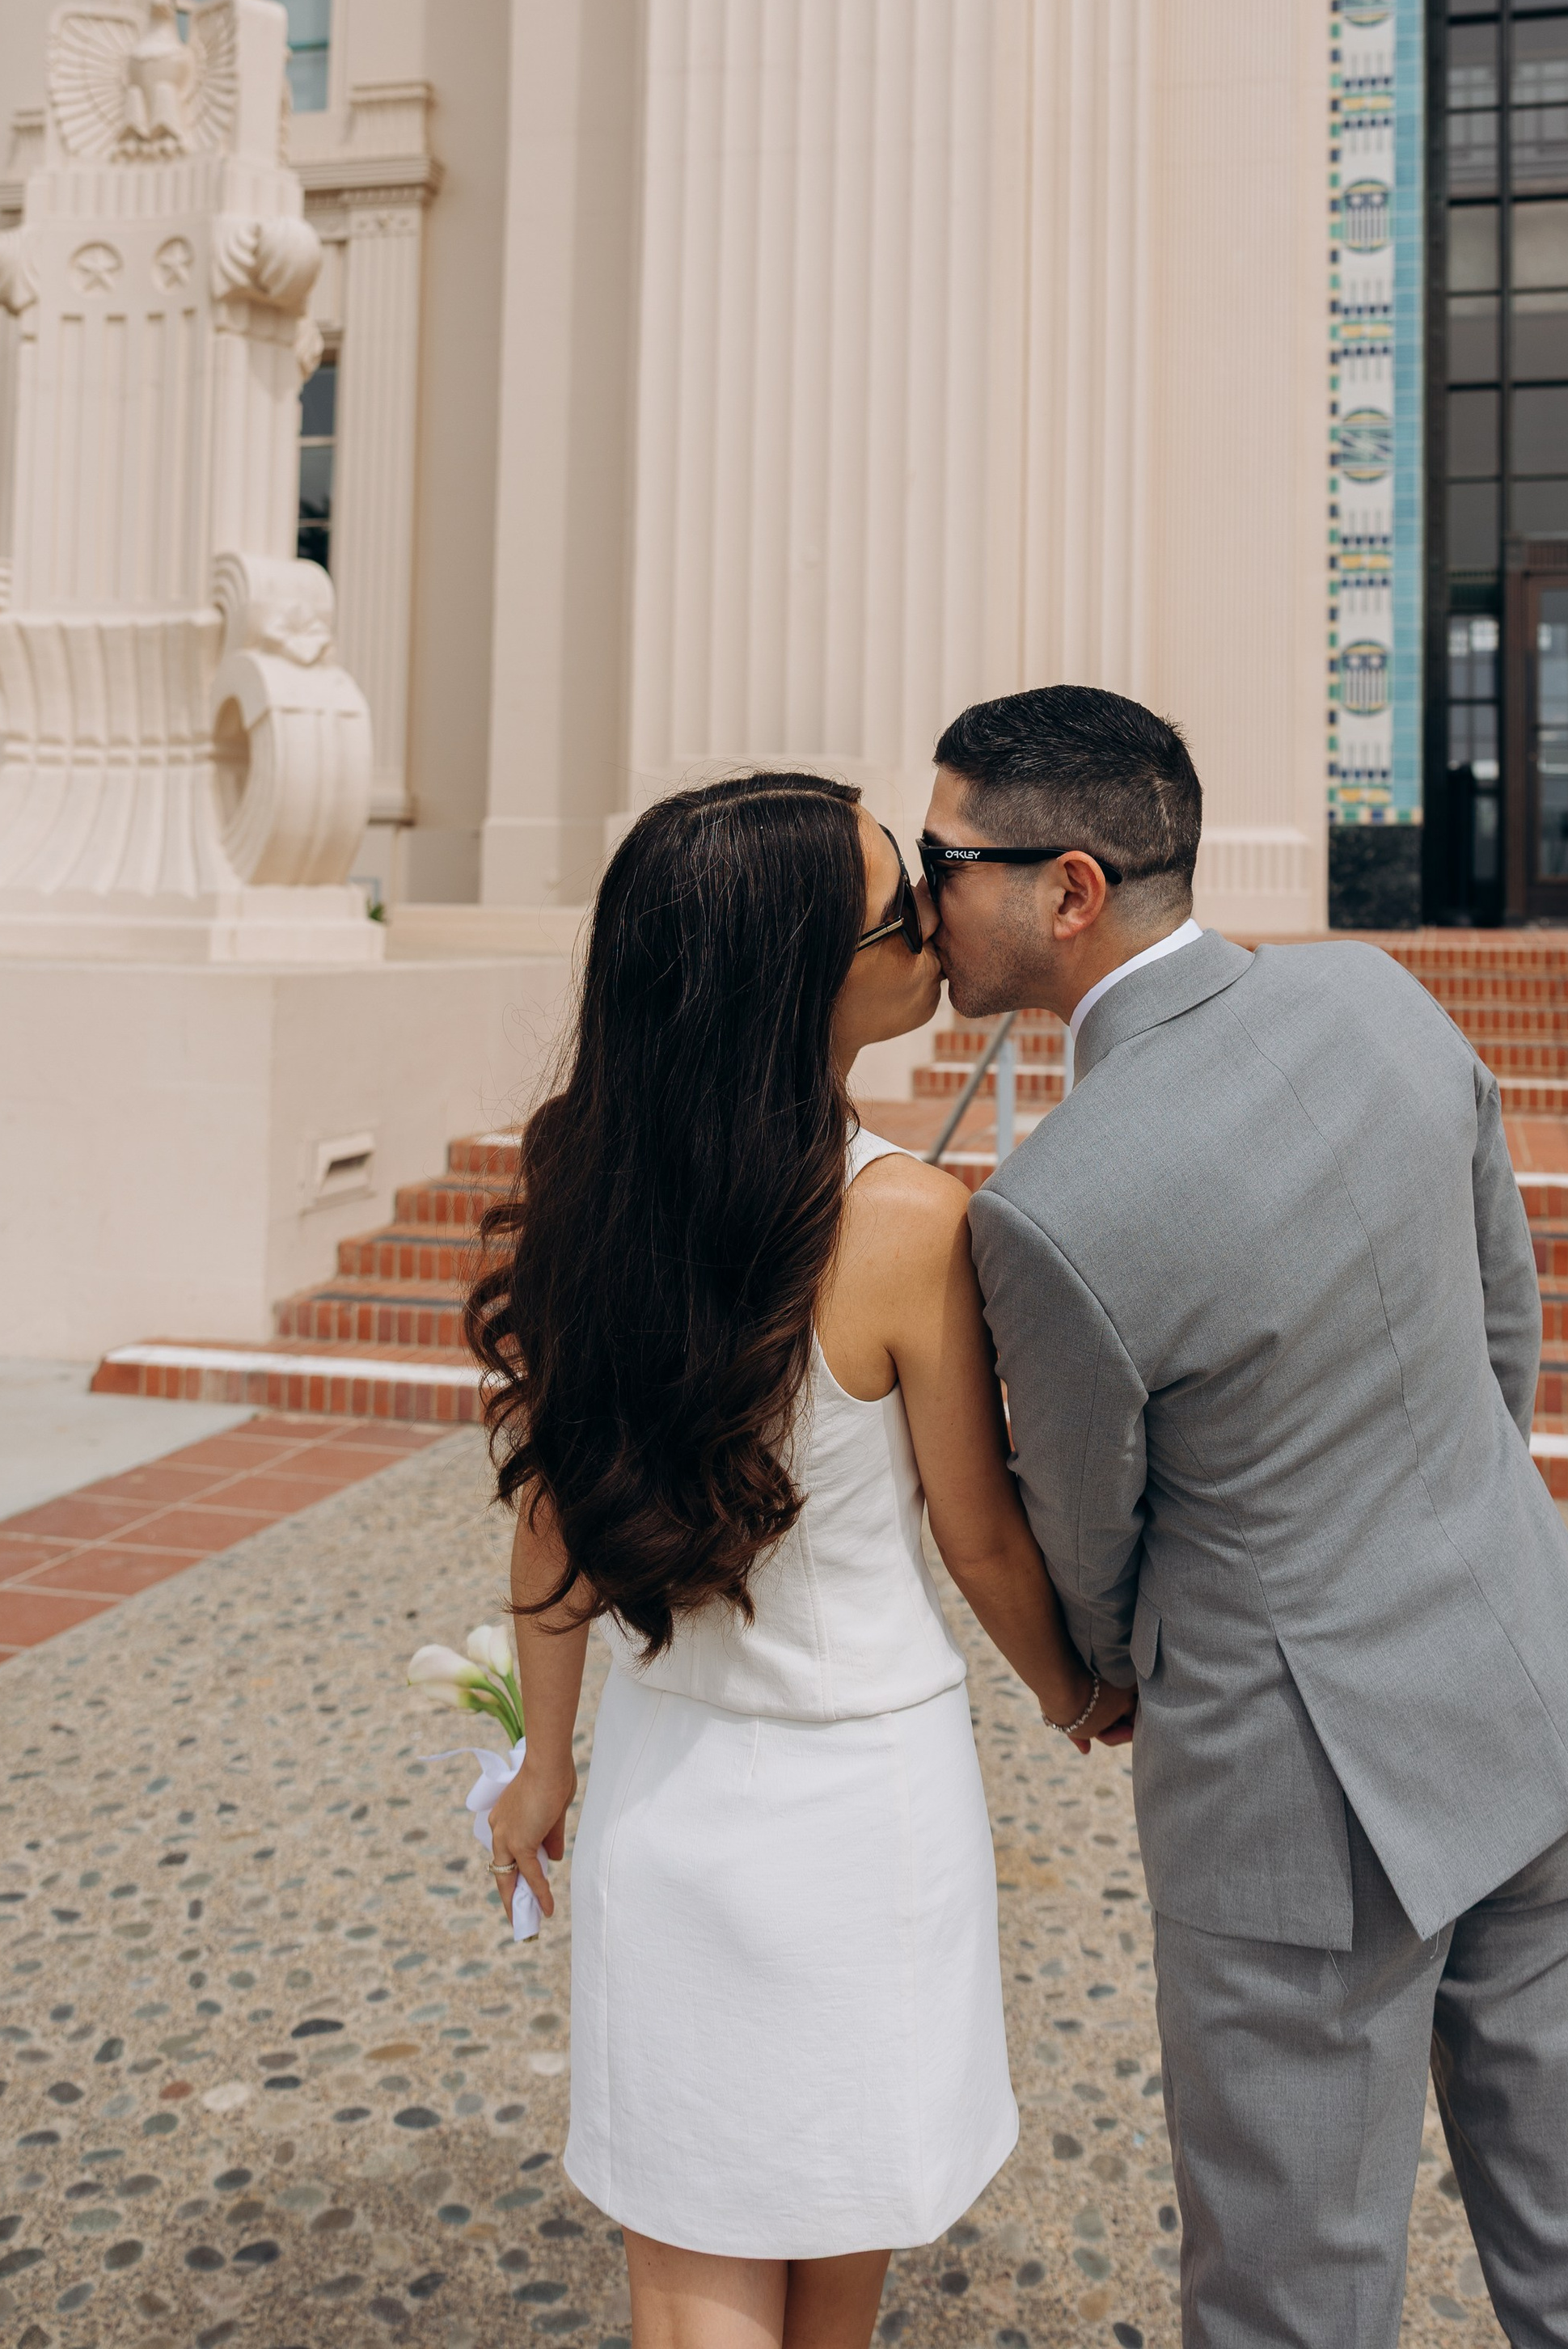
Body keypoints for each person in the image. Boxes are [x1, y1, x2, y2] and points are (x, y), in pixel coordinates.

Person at [922, 686, 1568, 2349]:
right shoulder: (1380, 1000)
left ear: (1064, 889)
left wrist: (1108, 1679)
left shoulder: (1051, 1209)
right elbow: (1504, 1328)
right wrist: (1451, 1532)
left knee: (1290, 2284)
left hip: (1296, 1793)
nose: (925, 898)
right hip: (1527, 1675)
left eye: (942, 860)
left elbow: (1086, 1537)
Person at [467, 773, 1131, 2349]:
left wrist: (542, 1764)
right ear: (799, 981)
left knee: (687, 2257)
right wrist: (1072, 1690)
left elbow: (550, 1514)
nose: (927, 926)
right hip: (859, 1809)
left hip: (661, 1788)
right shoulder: (907, 1222)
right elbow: (975, 1535)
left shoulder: (586, 1193)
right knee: (833, 2257)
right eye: (895, 909)